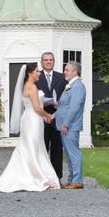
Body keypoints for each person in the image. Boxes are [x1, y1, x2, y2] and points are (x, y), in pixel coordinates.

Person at [0, 63, 60, 192]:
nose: (39, 73)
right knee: (32, 147)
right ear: (30, 73)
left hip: (28, 118)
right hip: (33, 120)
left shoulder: (26, 86)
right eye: (37, 71)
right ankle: (37, 177)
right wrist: (48, 116)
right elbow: (37, 108)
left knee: (31, 146)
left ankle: (31, 174)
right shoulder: (32, 87)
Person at [35, 51, 66, 180]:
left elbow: (65, 96)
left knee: (57, 149)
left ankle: (57, 177)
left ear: (54, 61)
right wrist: (44, 115)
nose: (48, 62)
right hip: (40, 118)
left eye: (51, 60)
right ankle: (42, 177)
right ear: (42, 62)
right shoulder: (36, 77)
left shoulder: (61, 77)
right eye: (46, 60)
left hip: (57, 118)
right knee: (41, 149)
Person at [57, 60, 86, 189]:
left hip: (70, 126)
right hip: (65, 125)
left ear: (75, 71)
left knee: (74, 154)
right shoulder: (70, 85)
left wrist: (66, 123)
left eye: (67, 70)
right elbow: (65, 104)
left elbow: (74, 107)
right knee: (69, 154)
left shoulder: (78, 86)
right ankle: (71, 179)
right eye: (65, 69)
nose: (65, 72)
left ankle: (77, 180)